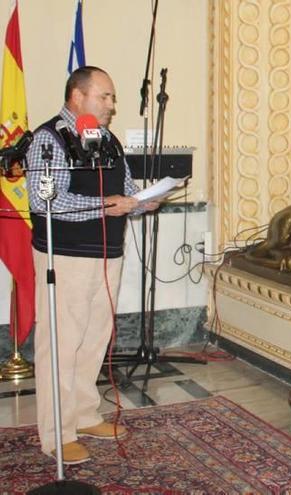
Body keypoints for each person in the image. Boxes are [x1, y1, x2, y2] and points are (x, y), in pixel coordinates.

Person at [25, 66, 160, 464]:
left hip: (106, 255)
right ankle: (56, 433)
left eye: (113, 98)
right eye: (105, 97)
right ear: (76, 96)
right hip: (65, 258)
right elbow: (45, 202)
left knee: (93, 341)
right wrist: (107, 205)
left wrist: (144, 199)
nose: (111, 106)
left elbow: (127, 189)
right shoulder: (47, 140)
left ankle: (84, 415)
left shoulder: (108, 141)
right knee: (62, 346)